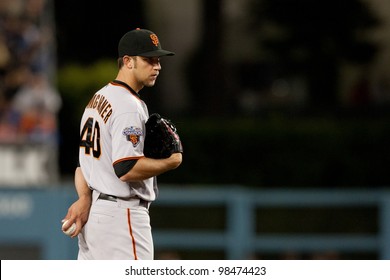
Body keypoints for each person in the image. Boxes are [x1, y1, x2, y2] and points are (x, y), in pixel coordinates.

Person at [62, 28, 183, 260]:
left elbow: (82, 166)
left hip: (96, 217)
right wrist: (171, 162)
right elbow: (126, 168)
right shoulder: (128, 105)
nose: (157, 66)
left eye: (158, 60)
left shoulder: (97, 98)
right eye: (149, 60)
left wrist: (85, 198)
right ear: (128, 61)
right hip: (121, 219)